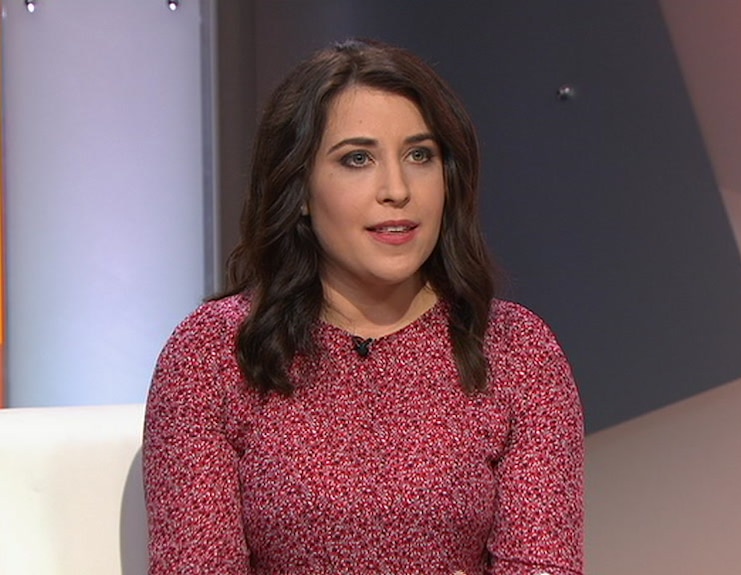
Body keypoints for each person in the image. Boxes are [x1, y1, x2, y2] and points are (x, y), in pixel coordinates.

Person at [143, 38, 585, 575]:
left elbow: (540, 566)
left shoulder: (518, 351)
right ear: (299, 189)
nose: (397, 189)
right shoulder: (212, 353)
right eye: (358, 159)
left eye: (419, 155)